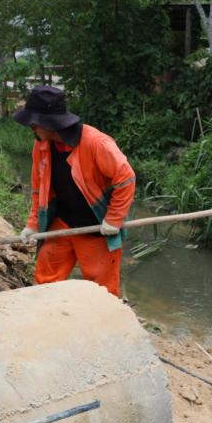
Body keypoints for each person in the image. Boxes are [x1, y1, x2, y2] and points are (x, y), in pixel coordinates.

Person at [12, 85, 135, 297]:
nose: (31, 128)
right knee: (45, 280)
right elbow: (38, 189)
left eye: (33, 124)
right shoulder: (41, 145)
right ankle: (48, 319)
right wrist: (33, 224)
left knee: (102, 292)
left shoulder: (95, 143)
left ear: (48, 123)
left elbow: (125, 178)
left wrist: (114, 219)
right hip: (62, 223)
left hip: (96, 226)